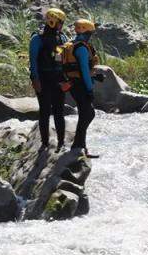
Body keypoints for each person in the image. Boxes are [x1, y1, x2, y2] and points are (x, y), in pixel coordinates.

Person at [29, 8, 68, 152]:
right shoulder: (37, 39)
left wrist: (66, 80)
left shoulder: (62, 38)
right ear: (54, 22)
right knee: (44, 111)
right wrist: (35, 79)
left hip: (58, 79)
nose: (62, 25)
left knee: (59, 111)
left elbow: (63, 61)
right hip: (43, 80)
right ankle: (45, 143)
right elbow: (33, 61)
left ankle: (61, 143)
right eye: (61, 22)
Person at [60, 19, 99, 157]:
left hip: (73, 83)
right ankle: (78, 146)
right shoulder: (81, 48)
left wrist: (95, 77)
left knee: (85, 114)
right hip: (80, 85)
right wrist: (89, 89)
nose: (91, 35)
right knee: (88, 113)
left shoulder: (72, 45)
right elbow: (83, 69)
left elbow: (79, 70)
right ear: (86, 32)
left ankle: (81, 146)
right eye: (90, 33)